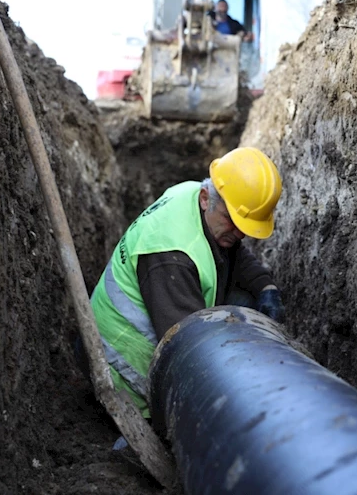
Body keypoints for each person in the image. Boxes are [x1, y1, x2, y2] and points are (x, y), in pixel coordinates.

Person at [90, 147, 285, 421]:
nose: (239, 233)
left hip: (166, 317)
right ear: (207, 199)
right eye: (232, 220)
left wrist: (265, 287)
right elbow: (187, 348)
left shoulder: (195, 195)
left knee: (246, 300)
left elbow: (236, 252)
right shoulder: (171, 258)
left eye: (246, 226)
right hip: (125, 370)